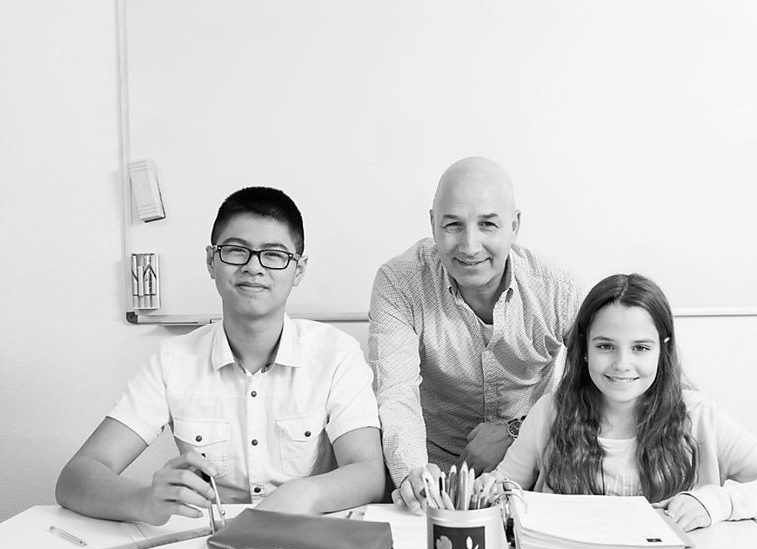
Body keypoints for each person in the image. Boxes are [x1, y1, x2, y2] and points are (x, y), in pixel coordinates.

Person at [56, 186, 384, 525]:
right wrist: (145, 501)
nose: (254, 267)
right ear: (211, 261)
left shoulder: (336, 354)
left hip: (309, 538)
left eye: (274, 255)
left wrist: (302, 495)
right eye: (237, 251)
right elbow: (76, 476)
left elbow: (368, 472)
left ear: (298, 270)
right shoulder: (174, 360)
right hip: (209, 542)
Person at [495, 273, 757, 531]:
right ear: (584, 349)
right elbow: (499, 494)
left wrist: (716, 502)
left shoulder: (697, 416)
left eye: (640, 348)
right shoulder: (551, 413)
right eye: (605, 346)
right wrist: (491, 496)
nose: (622, 364)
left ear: (662, 350)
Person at [369, 156, 582, 511]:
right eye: (453, 225)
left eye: (488, 224)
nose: (469, 246)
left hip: (533, 474)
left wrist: (515, 431)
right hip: (435, 476)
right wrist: (413, 474)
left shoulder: (557, 287)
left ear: (514, 226)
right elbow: (396, 392)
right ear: (433, 223)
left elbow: (592, 387)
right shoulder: (399, 282)